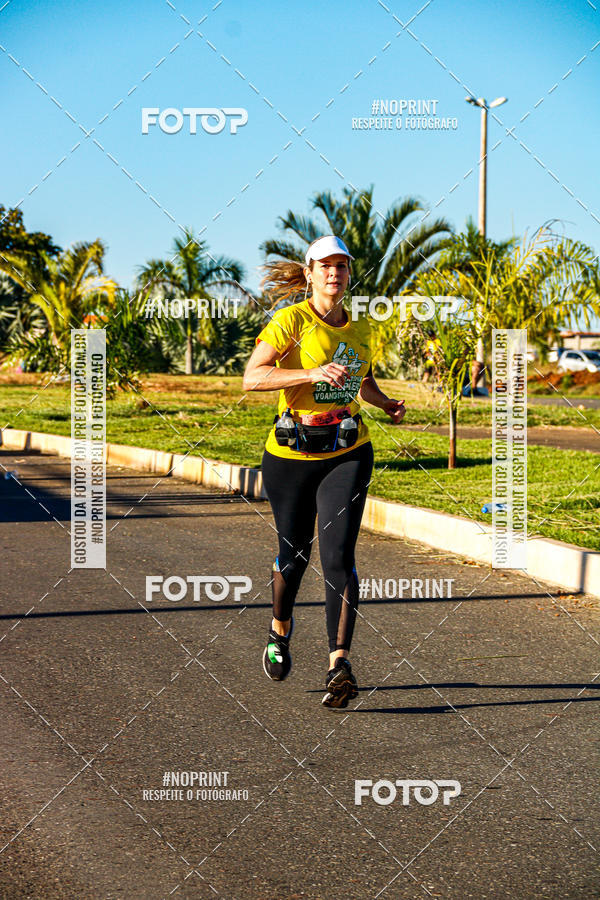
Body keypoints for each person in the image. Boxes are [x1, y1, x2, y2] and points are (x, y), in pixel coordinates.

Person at [242, 235, 406, 708]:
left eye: (342, 266)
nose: (335, 273)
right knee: (293, 559)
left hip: (348, 450)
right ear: (310, 272)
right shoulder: (290, 321)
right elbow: (253, 377)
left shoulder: (361, 329)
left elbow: (361, 379)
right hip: (290, 455)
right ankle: (279, 629)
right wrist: (310, 374)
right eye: (326, 266)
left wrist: (385, 402)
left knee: (339, 557)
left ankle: (340, 665)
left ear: (350, 274)